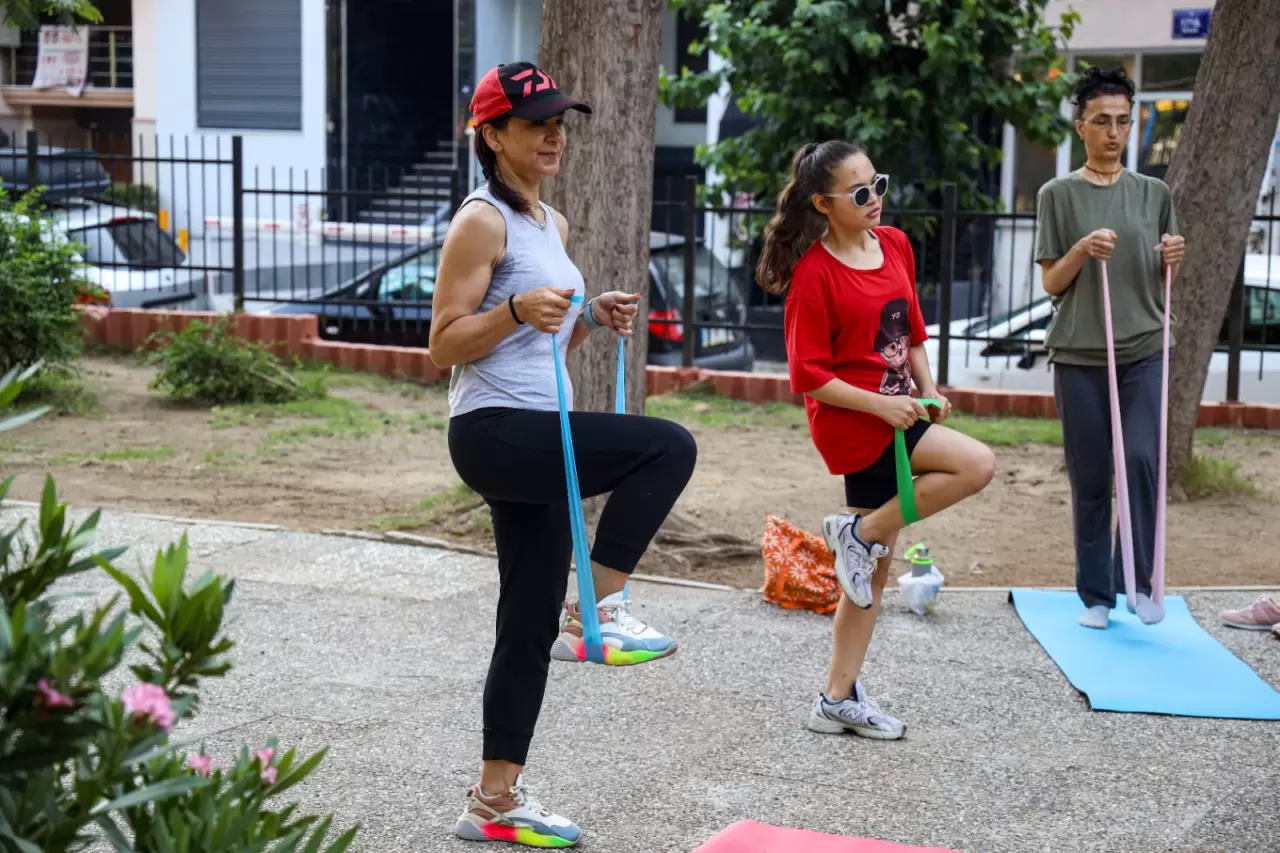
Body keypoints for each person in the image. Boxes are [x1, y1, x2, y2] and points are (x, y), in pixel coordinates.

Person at [430, 62, 697, 847]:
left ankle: (494, 799)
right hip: (493, 430)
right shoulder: (481, 220)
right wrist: (514, 307)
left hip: (534, 427)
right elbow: (444, 343)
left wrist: (587, 317)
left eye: (560, 120)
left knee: (525, 620)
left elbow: (543, 336)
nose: (555, 133)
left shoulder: (553, 222)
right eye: (536, 121)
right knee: (667, 447)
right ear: (491, 135)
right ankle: (599, 602)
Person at [759, 140, 996, 740]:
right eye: (860, 193)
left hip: (902, 413)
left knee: (873, 573)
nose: (875, 200)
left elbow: (911, 329)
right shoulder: (813, 275)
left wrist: (929, 391)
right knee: (976, 465)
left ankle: (836, 699)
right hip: (858, 424)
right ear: (824, 203)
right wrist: (884, 405)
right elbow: (807, 375)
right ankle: (857, 535)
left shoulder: (894, 245)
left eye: (878, 184)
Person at [1034, 67, 1186, 630]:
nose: (1114, 132)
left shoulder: (1155, 193)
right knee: (1093, 476)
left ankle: (1141, 582)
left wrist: (1173, 255)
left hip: (1144, 346)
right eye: (1102, 121)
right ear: (1081, 127)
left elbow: (1161, 267)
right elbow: (1052, 282)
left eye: (1124, 121)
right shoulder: (1058, 195)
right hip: (1080, 352)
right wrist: (1080, 249)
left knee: (1143, 462)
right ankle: (1097, 595)